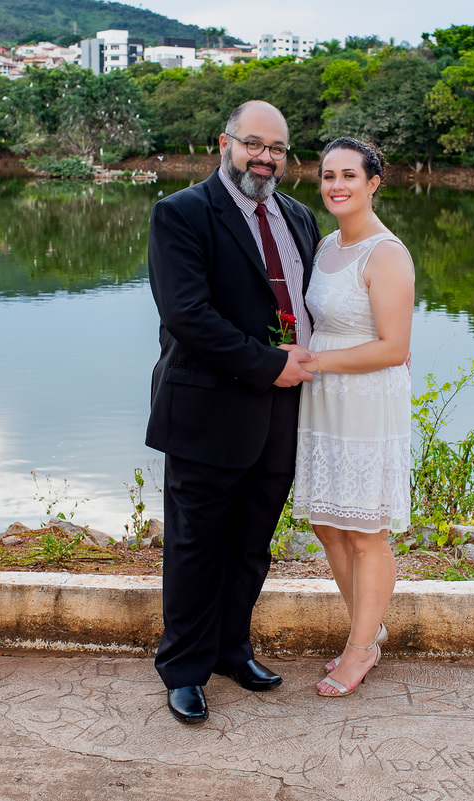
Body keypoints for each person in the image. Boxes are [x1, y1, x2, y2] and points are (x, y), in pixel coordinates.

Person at [145, 100, 321, 723]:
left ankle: (231, 648)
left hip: (281, 414)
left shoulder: (300, 219)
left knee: (251, 544)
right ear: (224, 143)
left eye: (277, 148)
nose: (266, 158)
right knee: (196, 546)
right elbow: (187, 315)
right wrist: (268, 362)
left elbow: (309, 308)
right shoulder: (182, 214)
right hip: (208, 410)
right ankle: (185, 668)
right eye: (254, 144)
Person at [288, 137, 415, 698]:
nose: (336, 185)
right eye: (328, 176)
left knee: (366, 528)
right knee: (325, 519)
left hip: (365, 395)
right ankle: (370, 624)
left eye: (349, 176)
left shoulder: (387, 254)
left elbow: (393, 347)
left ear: (373, 182)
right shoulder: (325, 247)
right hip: (324, 398)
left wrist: (317, 361)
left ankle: (361, 647)